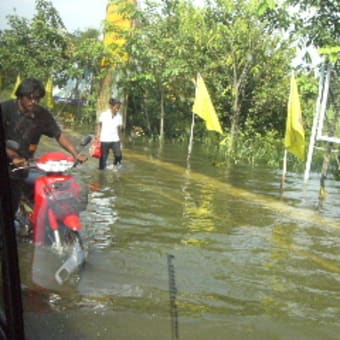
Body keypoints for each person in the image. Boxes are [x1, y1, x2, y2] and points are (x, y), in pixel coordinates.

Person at [0, 78, 88, 215]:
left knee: (50, 186)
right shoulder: (5, 109)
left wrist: (75, 154)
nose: (33, 102)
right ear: (20, 96)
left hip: (25, 166)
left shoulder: (42, 115)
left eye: (37, 98)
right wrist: (13, 156)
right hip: (7, 166)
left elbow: (59, 135)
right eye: (30, 98)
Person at [97, 98, 123, 170]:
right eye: (116, 107)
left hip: (115, 139)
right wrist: (98, 136)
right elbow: (99, 125)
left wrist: (120, 141)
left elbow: (119, 129)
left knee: (118, 155)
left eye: (119, 108)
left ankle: (114, 166)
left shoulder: (119, 116)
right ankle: (101, 174)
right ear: (112, 106)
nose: (117, 109)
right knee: (102, 160)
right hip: (105, 139)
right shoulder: (104, 114)